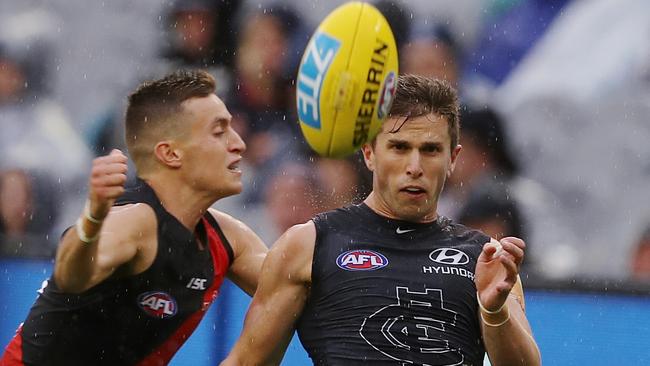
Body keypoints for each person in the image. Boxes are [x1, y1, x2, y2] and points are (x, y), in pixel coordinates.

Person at [222, 74, 540, 365]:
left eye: (430, 150)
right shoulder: (310, 244)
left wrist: (494, 311)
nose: (414, 166)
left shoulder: (483, 257)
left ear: (452, 159)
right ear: (370, 153)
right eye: (399, 148)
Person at [0, 70, 268, 365]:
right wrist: (93, 216)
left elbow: (296, 286)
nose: (239, 143)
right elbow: (70, 276)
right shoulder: (132, 222)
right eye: (219, 132)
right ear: (170, 154)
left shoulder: (228, 238)